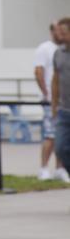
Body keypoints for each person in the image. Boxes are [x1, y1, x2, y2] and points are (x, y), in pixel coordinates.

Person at [34, 23, 69, 181]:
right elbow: (42, 73)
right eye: (58, 30)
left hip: (63, 104)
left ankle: (60, 169)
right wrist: (48, 95)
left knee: (60, 141)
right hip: (57, 105)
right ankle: (44, 168)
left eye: (63, 31)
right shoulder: (50, 50)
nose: (60, 34)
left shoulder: (59, 51)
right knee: (54, 139)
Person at [51, 17, 70, 177]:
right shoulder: (58, 53)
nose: (60, 36)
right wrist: (54, 105)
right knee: (60, 148)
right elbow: (55, 80)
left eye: (64, 33)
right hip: (64, 111)